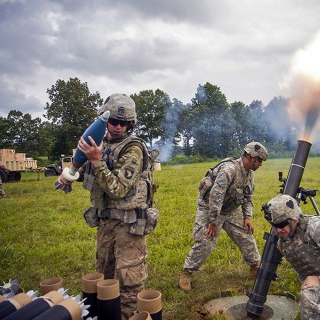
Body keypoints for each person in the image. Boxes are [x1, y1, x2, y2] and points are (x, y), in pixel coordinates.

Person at [56, 93, 157, 320]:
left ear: (130, 124)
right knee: (106, 278)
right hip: (105, 222)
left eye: (124, 123)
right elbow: (96, 176)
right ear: (105, 119)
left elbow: (118, 189)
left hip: (129, 225)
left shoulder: (133, 149)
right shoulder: (98, 144)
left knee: (129, 283)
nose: (118, 127)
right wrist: (70, 176)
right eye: (114, 122)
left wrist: (96, 160)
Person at [179, 141, 268, 292]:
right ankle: (186, 273)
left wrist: (247, 217)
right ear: (249, 156)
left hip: (230, 209)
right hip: (210, 208)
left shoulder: (249, 174)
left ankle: (254, 267)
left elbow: (248, 196)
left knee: (246, 234)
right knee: (206, 240)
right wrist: (213, 222)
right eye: (259, 160)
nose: (260, 164)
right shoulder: (229, 169)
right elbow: (215, 195)